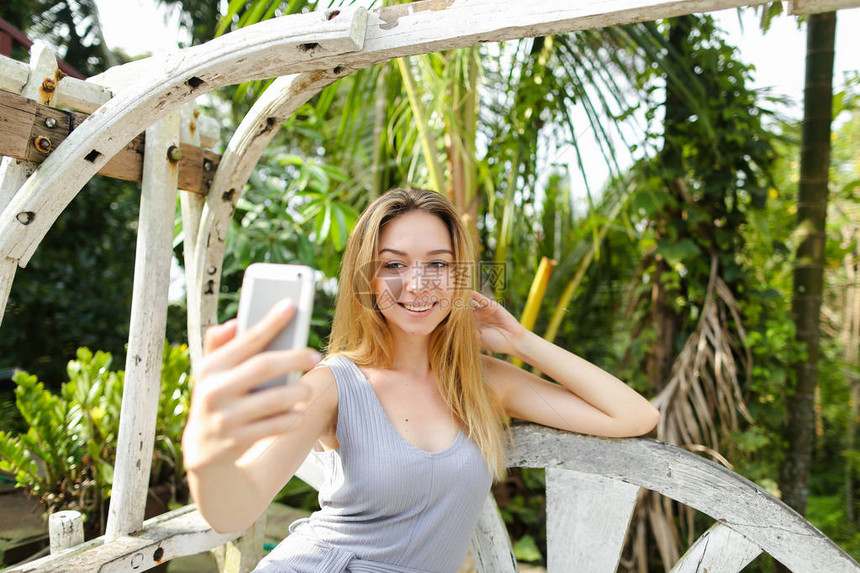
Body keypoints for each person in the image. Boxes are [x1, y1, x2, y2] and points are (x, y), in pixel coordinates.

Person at [181, 188, 659, 572]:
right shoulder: (334, 384)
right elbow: (234, 510)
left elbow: (635, 415)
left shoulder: (483, 382)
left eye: (438, 264)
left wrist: (519, 339)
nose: (418, 283)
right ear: (367, 279)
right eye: (393, 264)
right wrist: (205, 456)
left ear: (458, 276)